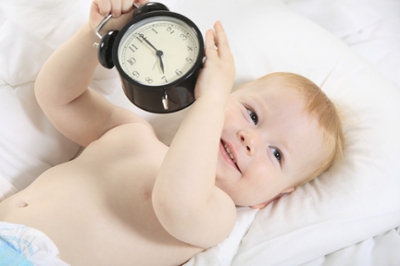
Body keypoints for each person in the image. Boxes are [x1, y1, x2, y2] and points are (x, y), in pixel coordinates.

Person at [0, 0, 344, 265]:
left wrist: (210, 100)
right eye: (252, 115)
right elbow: (59, 97)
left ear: (270, 198)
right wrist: (100, 33)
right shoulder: (132, 132)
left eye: (277, 154)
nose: (250, 140)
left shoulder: (216, 213)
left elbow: (174, 201)